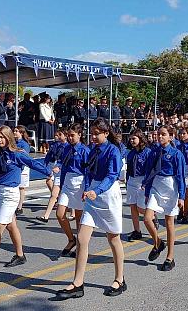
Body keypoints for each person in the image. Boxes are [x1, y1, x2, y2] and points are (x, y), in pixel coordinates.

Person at [55, 118, 125, 299]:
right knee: (82, 238)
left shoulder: (113, 151)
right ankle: (78, 283)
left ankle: (120, 279)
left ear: (106, 133)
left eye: (96, 133)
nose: (93, 137)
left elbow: (111, 176)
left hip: (109, 195)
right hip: (93, 195)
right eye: (91, 133)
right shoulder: (93, 150)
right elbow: (88, 172)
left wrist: (96, 190)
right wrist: (87, 188)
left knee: (113, 238)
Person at [0, 126, 51, 274]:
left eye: (2, 137)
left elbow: (33, 163)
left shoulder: (17, 154)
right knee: (11, 225)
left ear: (9, 137)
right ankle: (20, 255)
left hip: (11, 195)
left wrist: (48, 172)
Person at [142, 126, 186, 272]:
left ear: (171, 137)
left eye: (163, 134)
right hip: (156, 185)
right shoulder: (154, 152)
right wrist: (147, 191)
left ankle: (170, 257)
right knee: (147, 218)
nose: (160, 137)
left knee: (169, 223)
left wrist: (182, 196)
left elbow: (180, 176)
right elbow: (149, 172)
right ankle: (159, 242)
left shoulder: (176, 154)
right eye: (158, 134)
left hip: (171, 187)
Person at [55, 123, 89, 257]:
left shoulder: (85, 151)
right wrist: (61, 185)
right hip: (68, 183)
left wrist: (86, 189)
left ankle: (79, 245)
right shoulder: (66, 149)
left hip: (79, 184)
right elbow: (63, 168)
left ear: (79, 135)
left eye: (72, 135)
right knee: (60, 213)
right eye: (68, 135)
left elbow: (87, 172)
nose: (69, 138)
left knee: (79, 218)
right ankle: (71, 239)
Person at [125, 129, 154, 241]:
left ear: (140, 139)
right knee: (133, 207)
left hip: (142, 180)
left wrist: (146, 182)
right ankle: (137, 231)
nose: (132, 140)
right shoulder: (130, 153)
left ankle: (152, 216)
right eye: (131, 138)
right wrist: (127, 180)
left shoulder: (147, 152)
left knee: (141, 208)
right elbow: (128, 169)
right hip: (132, 180)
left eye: (134, 138)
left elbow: (150, 169)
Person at [14, 125, 33, 216]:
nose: (14, 133)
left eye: (16, 131)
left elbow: (25, 156)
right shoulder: (14, 142)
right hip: (16, 167)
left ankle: (20, 206)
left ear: (21, 133)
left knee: (21, 188)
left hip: (23, 168)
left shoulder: (24, 144)